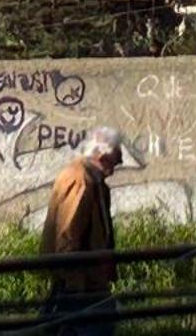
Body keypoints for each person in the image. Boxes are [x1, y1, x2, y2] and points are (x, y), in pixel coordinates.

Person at [40, 126, 122, 335]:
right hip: (80, 284)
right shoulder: (80, 180)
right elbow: (67, 235)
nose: (116, 166)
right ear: (102, 154)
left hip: (90, 281)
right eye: (114, 159)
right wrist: (74, 285)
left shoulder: (93, 181)